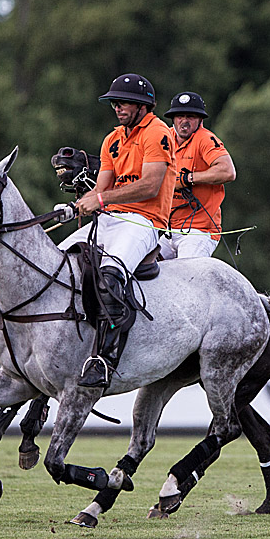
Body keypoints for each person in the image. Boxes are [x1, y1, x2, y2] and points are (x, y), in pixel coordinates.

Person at [56, 73, 177, 388]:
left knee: (111, 276)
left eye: (122, 102)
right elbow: (101, 189)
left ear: (141, 105)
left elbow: (150, 186)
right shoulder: (112, 139)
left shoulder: (158, 133)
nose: (117, 107)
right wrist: (80, 204)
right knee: (57, 262)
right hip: (110, 219)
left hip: (145, 220)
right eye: (114, 103)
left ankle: (104, 361)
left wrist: (100, 199)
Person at [158, 91, 236, 260]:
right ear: (173, 118)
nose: (184, 121)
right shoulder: (165, 138)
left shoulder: (205, 139)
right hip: (169, 231)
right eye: (179, 116)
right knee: (138, 269)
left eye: (190, 116)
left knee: (186, 277)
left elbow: (227, 171)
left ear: (200, 120)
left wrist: (188, 178)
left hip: (199, 231)